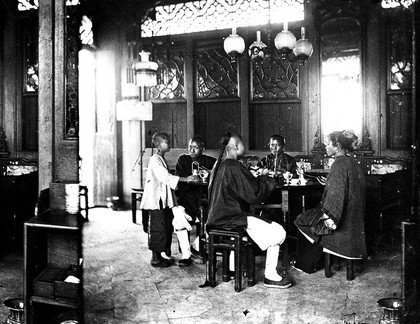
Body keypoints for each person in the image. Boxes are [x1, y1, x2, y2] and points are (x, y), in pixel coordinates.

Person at [206, 132, 292, 289]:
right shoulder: (233, 166)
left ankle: (232, 269)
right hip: (230, 218)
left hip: (216, 218)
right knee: (279, 231)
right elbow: (256, 195)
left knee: (260, 227)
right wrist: (266, 178)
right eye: (243, 144)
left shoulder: (219, 165)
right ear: (237, 146)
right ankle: (270, 276)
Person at [293, 130, 367, 273]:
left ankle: (306, 264)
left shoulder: (338, 164)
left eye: (328, 144)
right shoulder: (352, 162)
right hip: (353, 219)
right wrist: (329, 183)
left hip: (341, 223)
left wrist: (327, 219)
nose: (325, 147)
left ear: (337, 145)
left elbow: (335, 203)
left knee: (301, 220)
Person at [140, 132, 196, 268]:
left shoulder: (160, 158)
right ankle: (155, 258)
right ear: (158, 145)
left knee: (164, 226)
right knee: (157, 228)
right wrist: (185, 179)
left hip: (161, 200)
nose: (169, 143)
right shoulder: (155, 159)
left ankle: (160, 255)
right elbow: (164, 176)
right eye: (166, 141)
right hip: (155, 201)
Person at [175, 136, 216, 254]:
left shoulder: (210, 161)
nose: (191, 150)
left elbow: (217, 176)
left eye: (195, 147)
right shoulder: (183, 160)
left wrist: (210, 173)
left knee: (209, 222)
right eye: (190, 147)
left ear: (203, 149)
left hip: (205, 198)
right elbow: (180, 178)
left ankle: (200, 248)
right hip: (187, 198)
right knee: (181, 218)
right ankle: (185, 252)